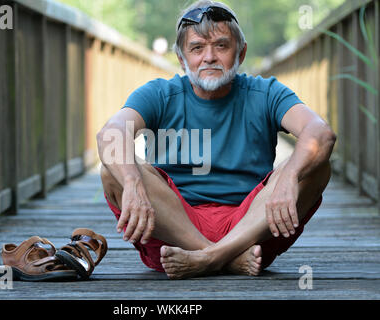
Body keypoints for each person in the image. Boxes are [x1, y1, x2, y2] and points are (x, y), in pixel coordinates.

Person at [96, 0, 336, 279]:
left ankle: (208, 257)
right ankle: (223, 258)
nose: (209, 57)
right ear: (181, 58)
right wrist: (133, 183)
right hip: (174, 229)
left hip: (251, 229)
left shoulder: (266, 92)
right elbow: (110, 135)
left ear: (241, 52)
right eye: (197, 48)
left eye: (221, 46)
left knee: (317, 165)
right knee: (113, 171)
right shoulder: (159, 94)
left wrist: (290, 174)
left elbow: (321, 133)